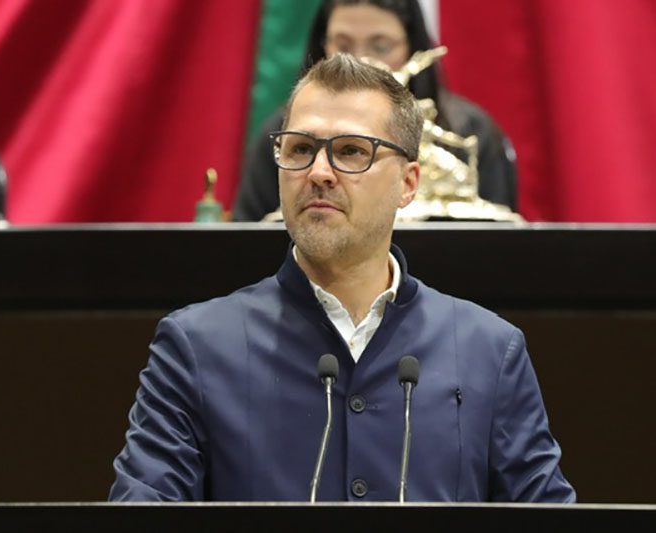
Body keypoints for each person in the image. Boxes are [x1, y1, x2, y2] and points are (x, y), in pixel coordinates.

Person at [109, 54, 574, 502]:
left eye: (351, 151)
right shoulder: (196, 347)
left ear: (409, 183)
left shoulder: (488, 351)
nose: (319, 173)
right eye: (300, 149)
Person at [231, 0, 517, 221]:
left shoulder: (468, 132)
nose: (361, 61)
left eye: (380, 47)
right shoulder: (287, 133)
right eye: (343, 45)